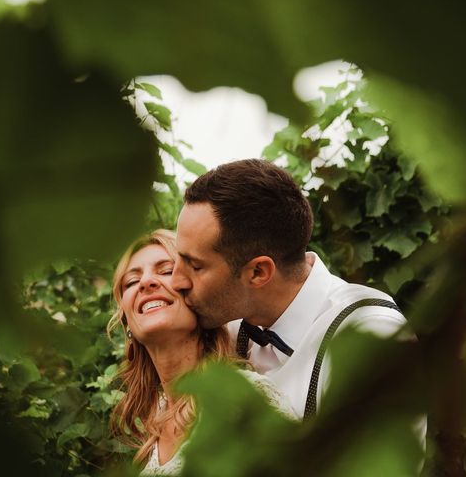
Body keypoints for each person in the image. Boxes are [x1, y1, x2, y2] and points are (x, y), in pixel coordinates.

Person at [171, 158, 414, 419]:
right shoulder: (228, 330)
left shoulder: (371, 339)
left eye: (195, 266)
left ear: (258, 272)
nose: (176, 281)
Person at [107, 229, 294, 475]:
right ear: (128, 323)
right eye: (131, 282)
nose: (146, 283)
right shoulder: (155, 424)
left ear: (198, 298)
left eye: (166, 271)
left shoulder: (243, 401)